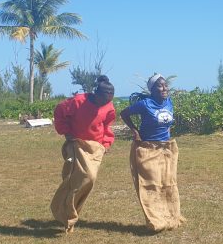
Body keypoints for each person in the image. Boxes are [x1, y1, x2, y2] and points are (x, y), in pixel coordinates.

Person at [50, 76, 116, 233]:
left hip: (95, 148)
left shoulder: (109, 107)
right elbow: (59, 111)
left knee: (88, 181)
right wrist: (66, 132)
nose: (106, 102)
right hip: (76, 144)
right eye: (104, 98)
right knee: (78, 179)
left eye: (110, 99)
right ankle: (66, 214)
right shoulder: (79, 101)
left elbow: (107, 126)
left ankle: (69, 213)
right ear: (96, 94)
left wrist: (106, 144)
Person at [121, 73, 185, 232]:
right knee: (151, 184)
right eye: (160, 86)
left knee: (168, 184)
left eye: (165, 85)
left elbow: (167, 121)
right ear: (152, 89)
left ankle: (171, 216)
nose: (164, 88)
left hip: (167, 148)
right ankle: (155, 220)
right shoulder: (145, 104)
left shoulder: (169, 102)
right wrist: (134, 131)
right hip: (148, 148)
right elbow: (124, 114)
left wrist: (167, 132)